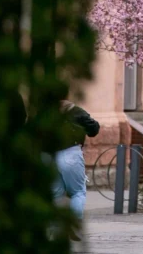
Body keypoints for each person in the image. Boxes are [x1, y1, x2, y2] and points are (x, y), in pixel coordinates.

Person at [54, 101, 100, 239]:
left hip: (49, 156)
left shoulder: (45, 111)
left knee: (55, 195)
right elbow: (94, 129)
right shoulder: (75, 111)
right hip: (71, 153)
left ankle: (55, 230)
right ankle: (73, 225)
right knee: (78, 192)